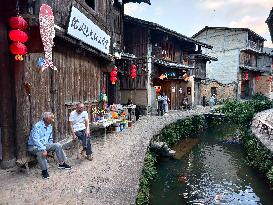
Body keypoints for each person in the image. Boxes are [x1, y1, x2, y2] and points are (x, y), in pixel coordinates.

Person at [28, 112, 71, 179]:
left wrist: (50, 145)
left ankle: (62, 164)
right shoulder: (37, 126)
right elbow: (35, 140)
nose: (53, 120)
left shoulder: (49, 126)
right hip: (34, 147)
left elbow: (50, 138)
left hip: (45, 145)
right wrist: (44, 149)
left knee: (57, 145)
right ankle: (44, 171)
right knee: (41, 152)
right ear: (46, 119)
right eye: (52, 118)